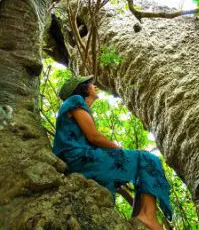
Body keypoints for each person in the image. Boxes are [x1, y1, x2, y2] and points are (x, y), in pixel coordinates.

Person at [52, 75, 172, 230]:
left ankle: (138, 218)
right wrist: (125, 151)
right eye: (90, 83)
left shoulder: (77, 108)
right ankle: (147, 216)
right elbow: (94, 137)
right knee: (148, 159)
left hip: (78, 161)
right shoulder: (75, 100)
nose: (94, 85)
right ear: (82, 88)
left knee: (125, 176)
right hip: (79, 158)